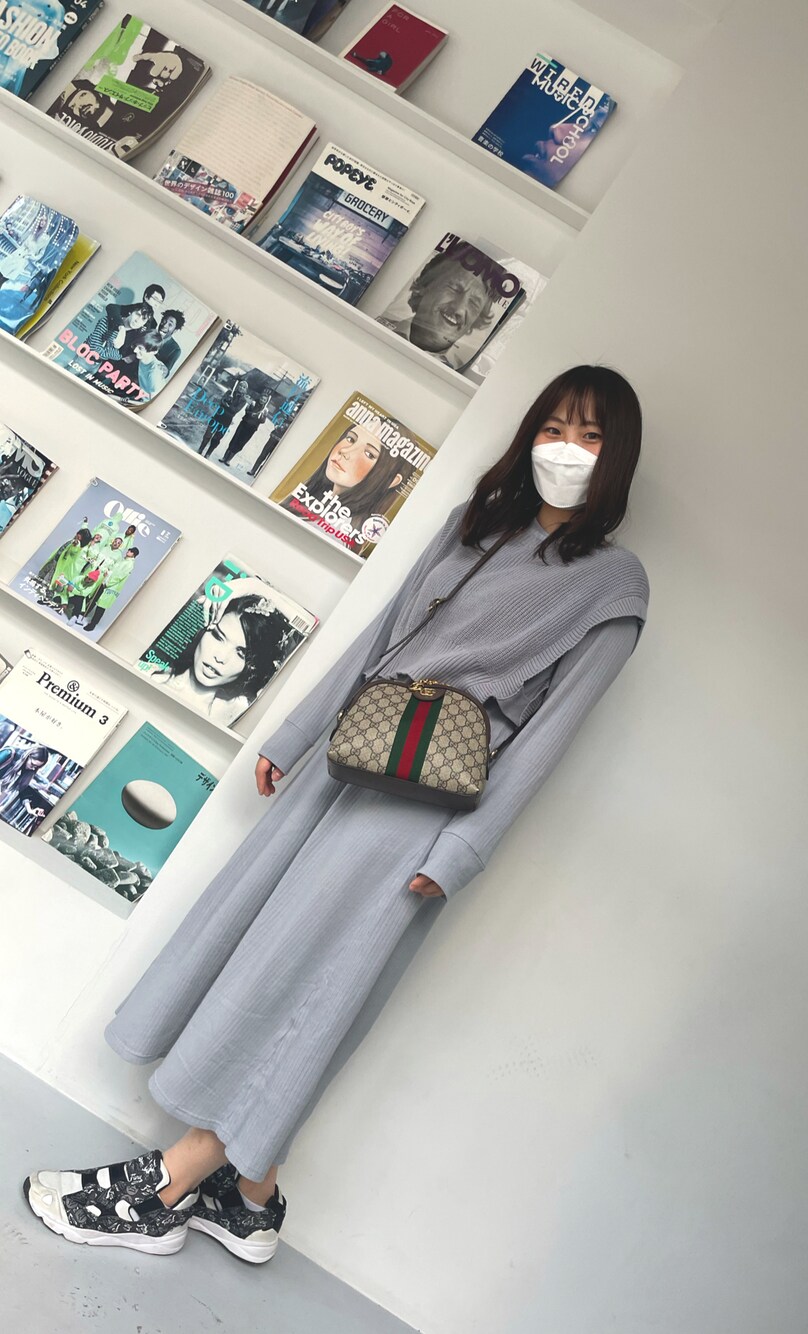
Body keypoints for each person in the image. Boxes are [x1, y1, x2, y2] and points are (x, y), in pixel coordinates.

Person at [23, 365, 650, 1266]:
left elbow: (550, 736)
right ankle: (250, 1202)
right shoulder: (477, 524)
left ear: (618, 456)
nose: (568, 449)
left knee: (307, 983)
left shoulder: (613, 585)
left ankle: (165, 1190)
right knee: (268, 953)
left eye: (591, 436)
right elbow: (381, 636)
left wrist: (463, 850)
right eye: (554, 427)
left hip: (424, 808)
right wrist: (296, 733)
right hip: (346, 759)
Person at [144, 589, 299, 727]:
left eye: (241, 653)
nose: (220, 657)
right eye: (218, 637)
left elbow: (303, 625)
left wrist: (251, 584)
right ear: (203, 630)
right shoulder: (147, 672)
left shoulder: (237, 712)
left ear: (252, 666)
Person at [278, 420, 404, 548]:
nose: (345, 451)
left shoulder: (338, 533)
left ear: (391, 480)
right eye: (350, 439)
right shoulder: (311, 499)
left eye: (369, 454)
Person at [377, 248, 505, 368]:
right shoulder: (377, 326)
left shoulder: (459, 372)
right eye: (454, 288)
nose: (459, 309)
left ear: (477, 319)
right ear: (426, 285)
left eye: (474, 303)